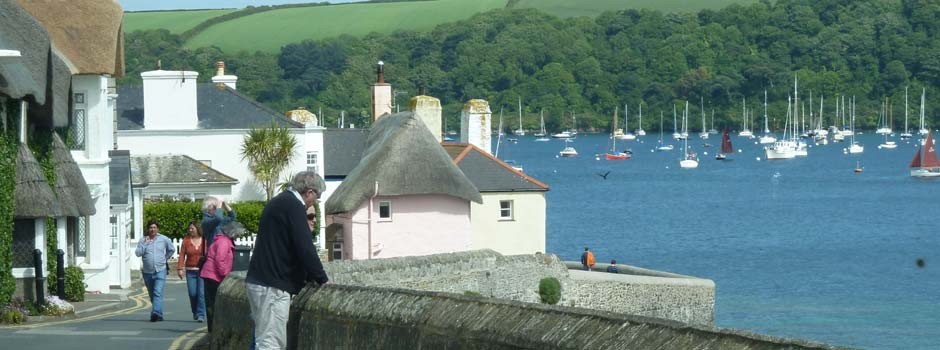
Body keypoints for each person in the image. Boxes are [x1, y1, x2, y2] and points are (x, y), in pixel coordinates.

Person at [246, 171, 329, 350]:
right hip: (272, 286)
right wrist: (321, 277)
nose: (314, 202)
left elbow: (287, 245)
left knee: (260, 338)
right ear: (309, 192)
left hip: (259, 280)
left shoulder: (280, 201)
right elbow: (304, 246)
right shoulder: (293, 206)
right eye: (317, 197)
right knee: (270, 343)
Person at [201, 221, 242, 333]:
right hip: (213, 276)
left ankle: (212, 328)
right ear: (232, 233)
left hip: (210, 274)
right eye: (238, 234)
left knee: (211, 302)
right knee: (214, 303)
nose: (238, 236)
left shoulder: (223, 240)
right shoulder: (224, 242)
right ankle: (214, 328)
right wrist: (225, 275)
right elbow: (220, 260)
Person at [135, 220, 175, 322]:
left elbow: (172, 249)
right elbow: (138, 253)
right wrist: (145, 244)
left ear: (157, 229)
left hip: (160, 270)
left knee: (157, 292)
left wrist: (165, 258)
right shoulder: (143, 240)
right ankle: (159, 314)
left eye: (154, 227)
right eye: (150, 228)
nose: (152, 229)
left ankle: (155, 312)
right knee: (152, 294)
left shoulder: (164, 239)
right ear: (148, 229)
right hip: (147, 272)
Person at [177, 221, 206, 322]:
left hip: (202, 271)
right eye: (189, 228)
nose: (190, 230)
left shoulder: (204, 240)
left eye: (192, 228)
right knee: (192, 294)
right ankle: (195, 312)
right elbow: (181, 255)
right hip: (190, 271)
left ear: (197, 229)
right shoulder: (186, 240)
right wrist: (180, 268)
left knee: (201, 294)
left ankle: (201, 314)